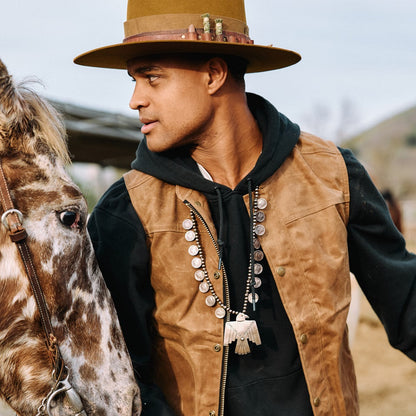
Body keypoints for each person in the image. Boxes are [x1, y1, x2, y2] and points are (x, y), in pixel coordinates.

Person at [75, 1, 416, 415]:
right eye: (134, 80)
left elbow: (408, 306)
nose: (135, 100)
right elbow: (121, 378)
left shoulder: (333, 175)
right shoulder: (124, 211)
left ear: (214, 75)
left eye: (152, 79)